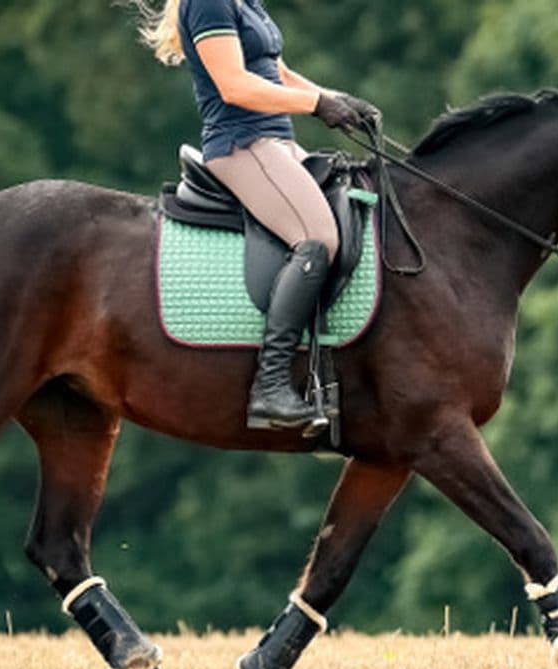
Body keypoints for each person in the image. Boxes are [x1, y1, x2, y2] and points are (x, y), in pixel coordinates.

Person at [134, 0, 378, 430]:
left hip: (277, 142)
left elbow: (277, 73)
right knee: (318, 237)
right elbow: (235, 86)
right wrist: (317, 103)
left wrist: (337, 100)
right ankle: (271, 386)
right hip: (242, 143)